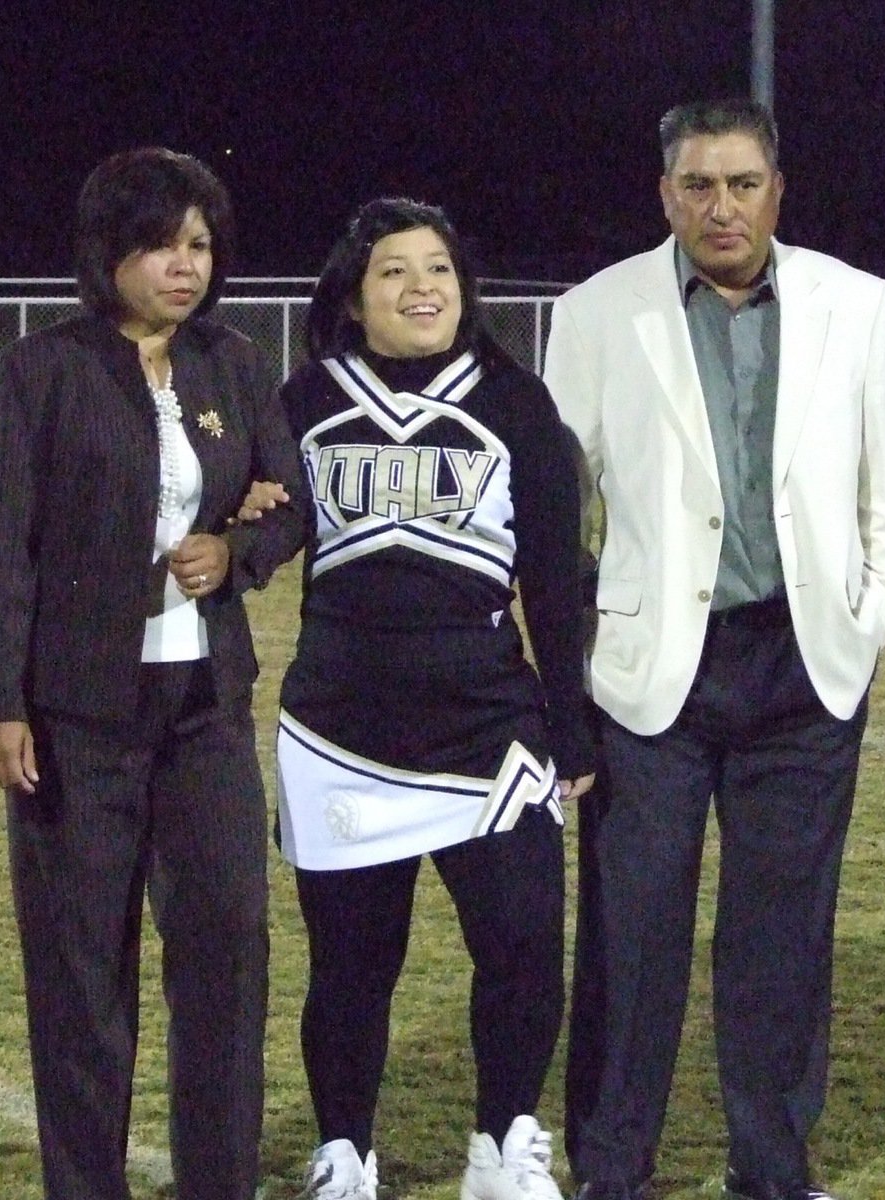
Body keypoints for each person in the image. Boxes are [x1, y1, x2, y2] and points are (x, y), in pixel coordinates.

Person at [543, 100, 885, 1200]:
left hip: (801, 671)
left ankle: (770, 1169)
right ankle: (611, 1171)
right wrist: (569, 651)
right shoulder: (596, 310)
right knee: (628, 944)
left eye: (741, 183)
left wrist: (873, 609)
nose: (721, 207)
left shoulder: (853, 303)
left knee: (780, 947)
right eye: (697, 185)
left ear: (775, 190)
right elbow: (557, 504)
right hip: (648, 678)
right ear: (664, 194)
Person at [0, 147, 305, 1200]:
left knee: (227, 956)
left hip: (202, 711)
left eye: (200, 244)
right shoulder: (42, 371)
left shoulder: (236, 365)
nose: (182, 265)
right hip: (76, 721)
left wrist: (233, 550)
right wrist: (0, 702)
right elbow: (2, 543)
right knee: (80, 978)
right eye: (159, 243)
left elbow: (286, 499)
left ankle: (219, 1182)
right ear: (108, 250)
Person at [243, 196, 594, 1200]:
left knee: (522, 942)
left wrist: (566, 724)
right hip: (340, 725)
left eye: (436, 267)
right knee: (352, 963)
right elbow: (263, 526)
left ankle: (504, 1145)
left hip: (490, 719)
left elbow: (551, 580)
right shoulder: (306, 398)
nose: (421, 287)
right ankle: (346, 1152)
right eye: (394, 270)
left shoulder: (515, 400)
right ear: (353, 297)